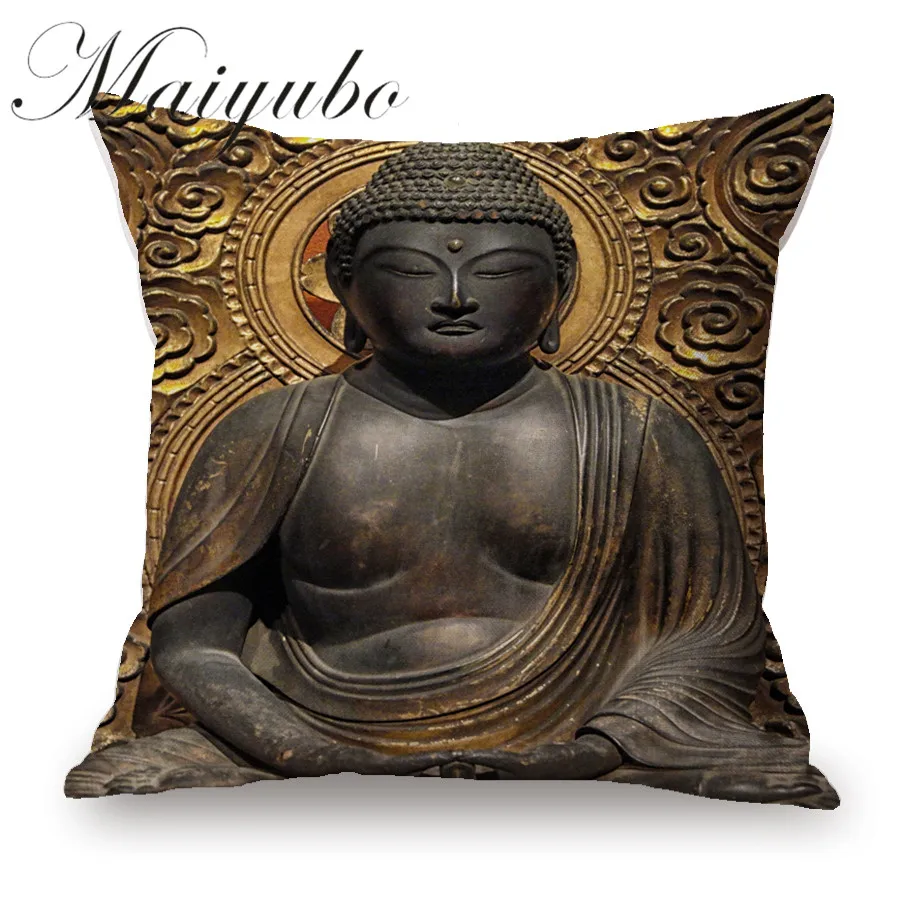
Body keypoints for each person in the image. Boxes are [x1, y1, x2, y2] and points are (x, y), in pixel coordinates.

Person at [66, 143, 836, 806]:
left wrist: (590, 751)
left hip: (589, 733)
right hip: (303, 723)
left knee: (756, 770)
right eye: (409, 270)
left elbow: (710, 636)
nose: (456, 298)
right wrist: (313, 753)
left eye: (502, 272)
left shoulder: (638, 434)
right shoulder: (272, 430)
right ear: (344, 285)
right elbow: (195, 642)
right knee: (142, 770)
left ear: (561, 289)